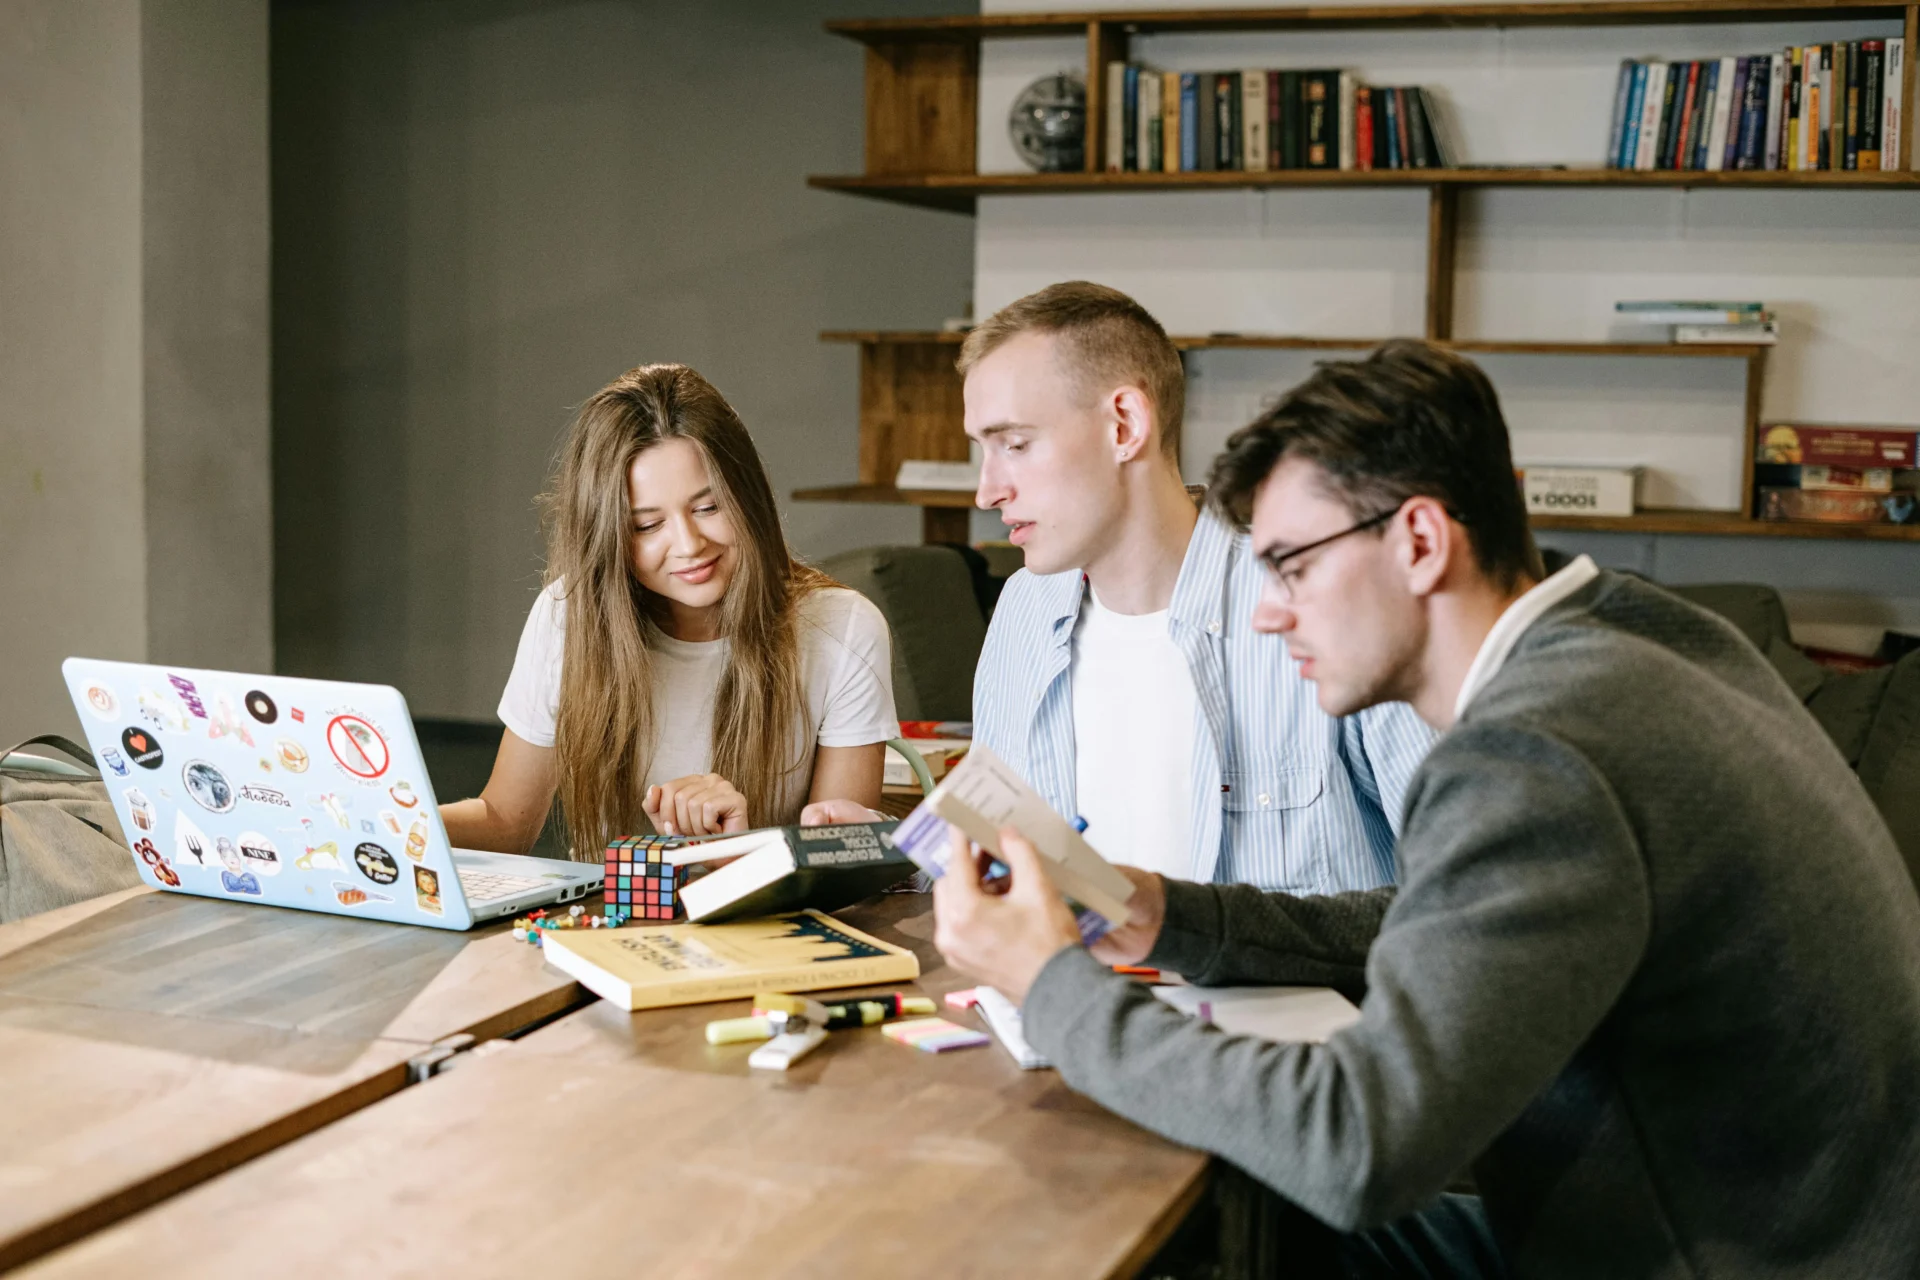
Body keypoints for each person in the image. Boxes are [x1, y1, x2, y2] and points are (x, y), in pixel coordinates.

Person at [929, 340, 1920, 1277]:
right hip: (1766, 1229)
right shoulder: (1636, 634)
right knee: (1243, 1214)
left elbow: (1358, 1146)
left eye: (1292, 565)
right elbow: (1444, 918)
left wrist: (1051, 983)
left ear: (1417, 540)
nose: (1267, 611)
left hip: (1714, 1257)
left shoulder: (1538, 752)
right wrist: (1174, 913)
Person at [441, 363, 897, 858]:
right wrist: (387, 822)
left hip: (766, 931)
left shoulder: (843, 628)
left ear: (749, 495)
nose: (688, 544)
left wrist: (733, 851)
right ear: (608, 536)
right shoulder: (567, 616)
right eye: (646, 525)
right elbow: (506, 824)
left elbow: (839, 860)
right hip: (605, 928)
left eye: (708, 507)